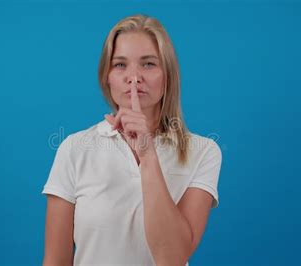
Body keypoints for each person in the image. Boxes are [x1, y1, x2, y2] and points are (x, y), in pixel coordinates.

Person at [41, 14, 222, 266]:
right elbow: (55, 261)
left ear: (167, 76)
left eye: (148, 64)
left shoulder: (203, 152)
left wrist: (148, 156)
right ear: (107, 77)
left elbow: (172, 258)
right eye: (120, 65)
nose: (134, 77)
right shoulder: (73, 148)